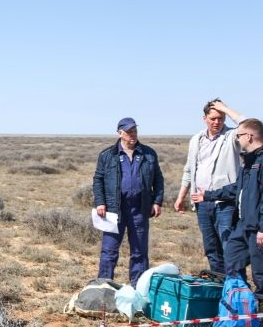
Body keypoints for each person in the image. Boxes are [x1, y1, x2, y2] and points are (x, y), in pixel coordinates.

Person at [194, 119, 263, 311]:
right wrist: (208, 195)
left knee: (262, 267)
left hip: (261, 227)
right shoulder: (251, 160)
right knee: (232, 257)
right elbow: (236, 189)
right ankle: (238, 298)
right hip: (244, 224)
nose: (237, 140)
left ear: (249, 136)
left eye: (239, 136)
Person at [173, 99, 245, 273]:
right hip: (201, 202)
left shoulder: (231, 137)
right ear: (204, 118)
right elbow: (189, 169)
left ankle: (236, 287)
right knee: (212, 249)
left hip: (225, 202)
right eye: (213, 118)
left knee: (230, 247)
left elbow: (248, 126)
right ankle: (219, 287)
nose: (217, 122)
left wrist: (226, 109)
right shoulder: (196, 140)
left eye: (221, 118)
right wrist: (181, 196)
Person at [93, 118, 164, 286]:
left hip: (140, 208)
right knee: (109, 251)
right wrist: (100, 202)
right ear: (120, 133)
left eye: (134, 131)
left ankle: (138, 288)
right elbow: (98, 180)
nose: (132, 135)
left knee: (139, 251)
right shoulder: (108, 155)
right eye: (129, 131)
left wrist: (157, 201)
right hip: (113, 209)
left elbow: (158, 179)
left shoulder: (148, 154)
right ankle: (103, 286)